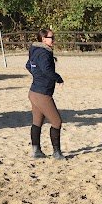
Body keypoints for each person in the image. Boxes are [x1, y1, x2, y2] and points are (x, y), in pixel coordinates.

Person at [26, 28, 65, 159]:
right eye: (51, 38)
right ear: (43, 39)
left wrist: (37, 76)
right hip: (42, 94)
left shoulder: (34, 50)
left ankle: (36, 151)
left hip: (33, 92)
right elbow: (47, 70)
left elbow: (28, 65)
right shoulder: (44, 53)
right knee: (57, 122)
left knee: (37, 122)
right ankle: (56, 153)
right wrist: (58, 78)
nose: (53, 40)